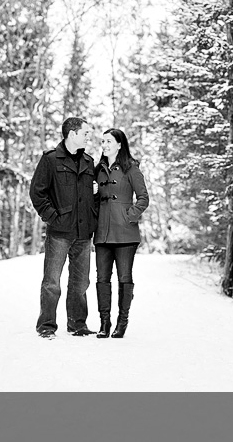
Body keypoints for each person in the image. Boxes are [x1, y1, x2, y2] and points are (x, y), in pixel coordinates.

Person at [29, 117, 99, 339]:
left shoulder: (89, 162)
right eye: (85, 133)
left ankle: (77, 324)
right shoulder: (51, 160)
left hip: (83, 232)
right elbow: (37, 193)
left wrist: (93, 217)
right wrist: (52, 217)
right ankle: (46, 326)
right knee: (52, 282)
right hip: (59, 232)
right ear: (72, 134)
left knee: (81, 283)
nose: (89, 137)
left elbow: (92, 196)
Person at [93, 128, 149, 338]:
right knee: (102, 278)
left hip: (125, 233)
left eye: (108, 141)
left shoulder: (131, 168)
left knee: (125, 277)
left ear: (119, 144)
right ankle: (104, 323)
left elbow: (143, 198)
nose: (104, 145)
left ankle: (122, 322)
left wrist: (129, 216)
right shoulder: (98, 170)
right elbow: (96, 202)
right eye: (103, 141)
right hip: (103, 233)